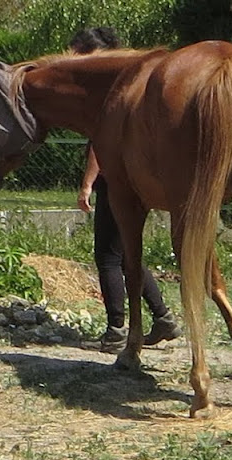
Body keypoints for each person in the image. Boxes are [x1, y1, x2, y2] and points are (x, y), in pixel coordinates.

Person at [70, 27, 182, 353]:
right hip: (132, 174)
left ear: (96, 53)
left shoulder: (107, 85)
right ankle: (162, 318)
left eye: (78, 53)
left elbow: (99, 144)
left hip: (114, 177)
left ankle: (116, 330)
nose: (73, 60)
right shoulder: (132, 78)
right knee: (126, 254)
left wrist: (88, 182)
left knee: (107, 255)